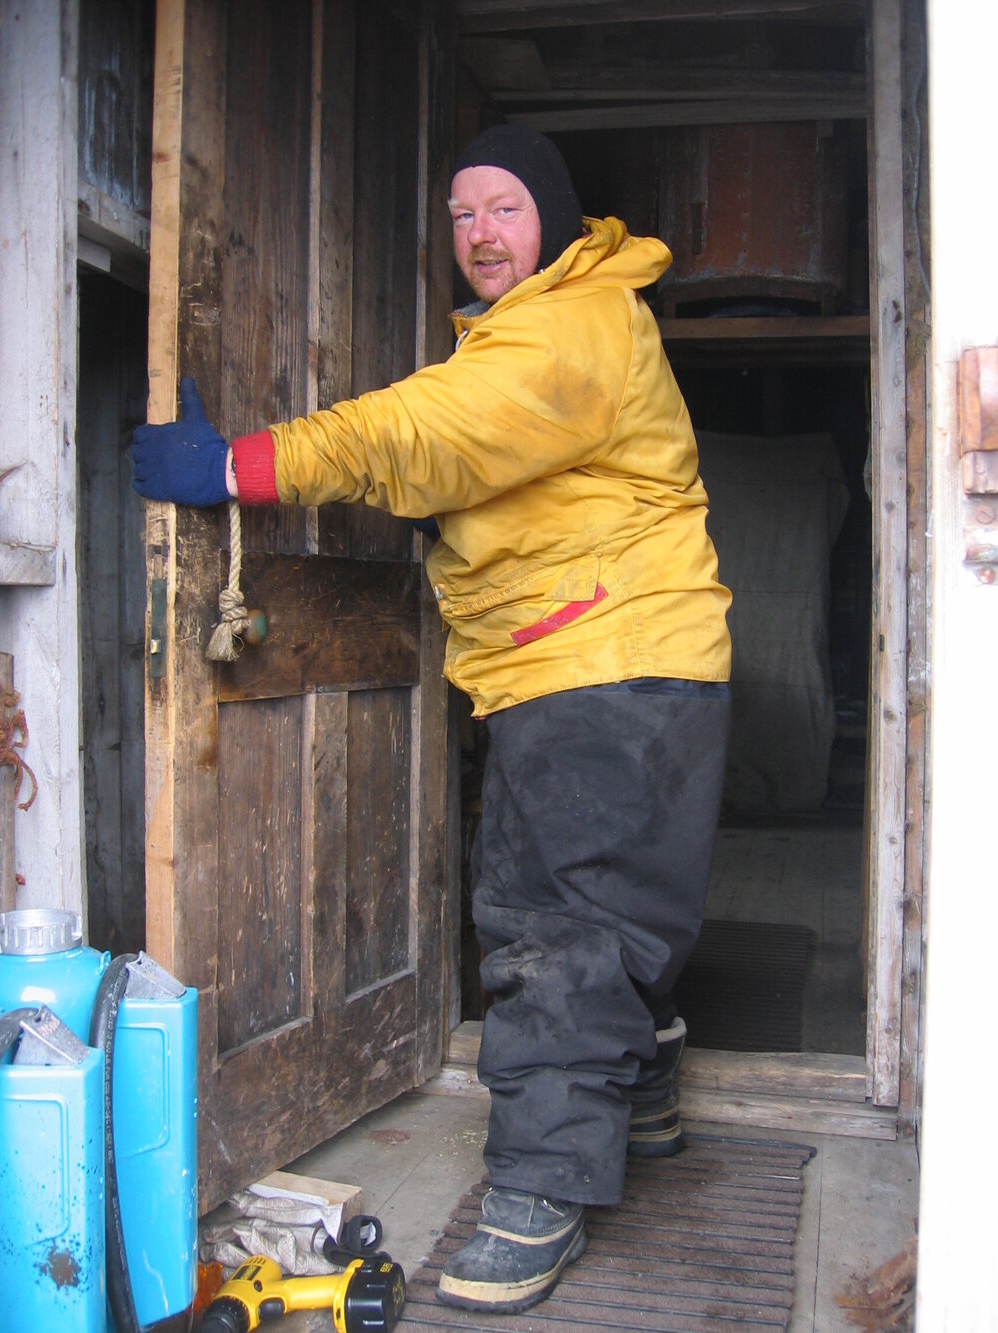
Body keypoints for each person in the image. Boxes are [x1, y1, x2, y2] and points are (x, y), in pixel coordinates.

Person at [132, 125, 732, 1315]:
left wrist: (243, 466)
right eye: (460, 216)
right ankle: (645, 1092)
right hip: (583, 658)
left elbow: (426, 434)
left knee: (556, 928)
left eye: (502, 208)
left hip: (602, 660)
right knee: (603, 905)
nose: (478, 235)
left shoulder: (575, 323)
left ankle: (539, 1188)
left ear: (550, 221)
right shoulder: (547, 325)